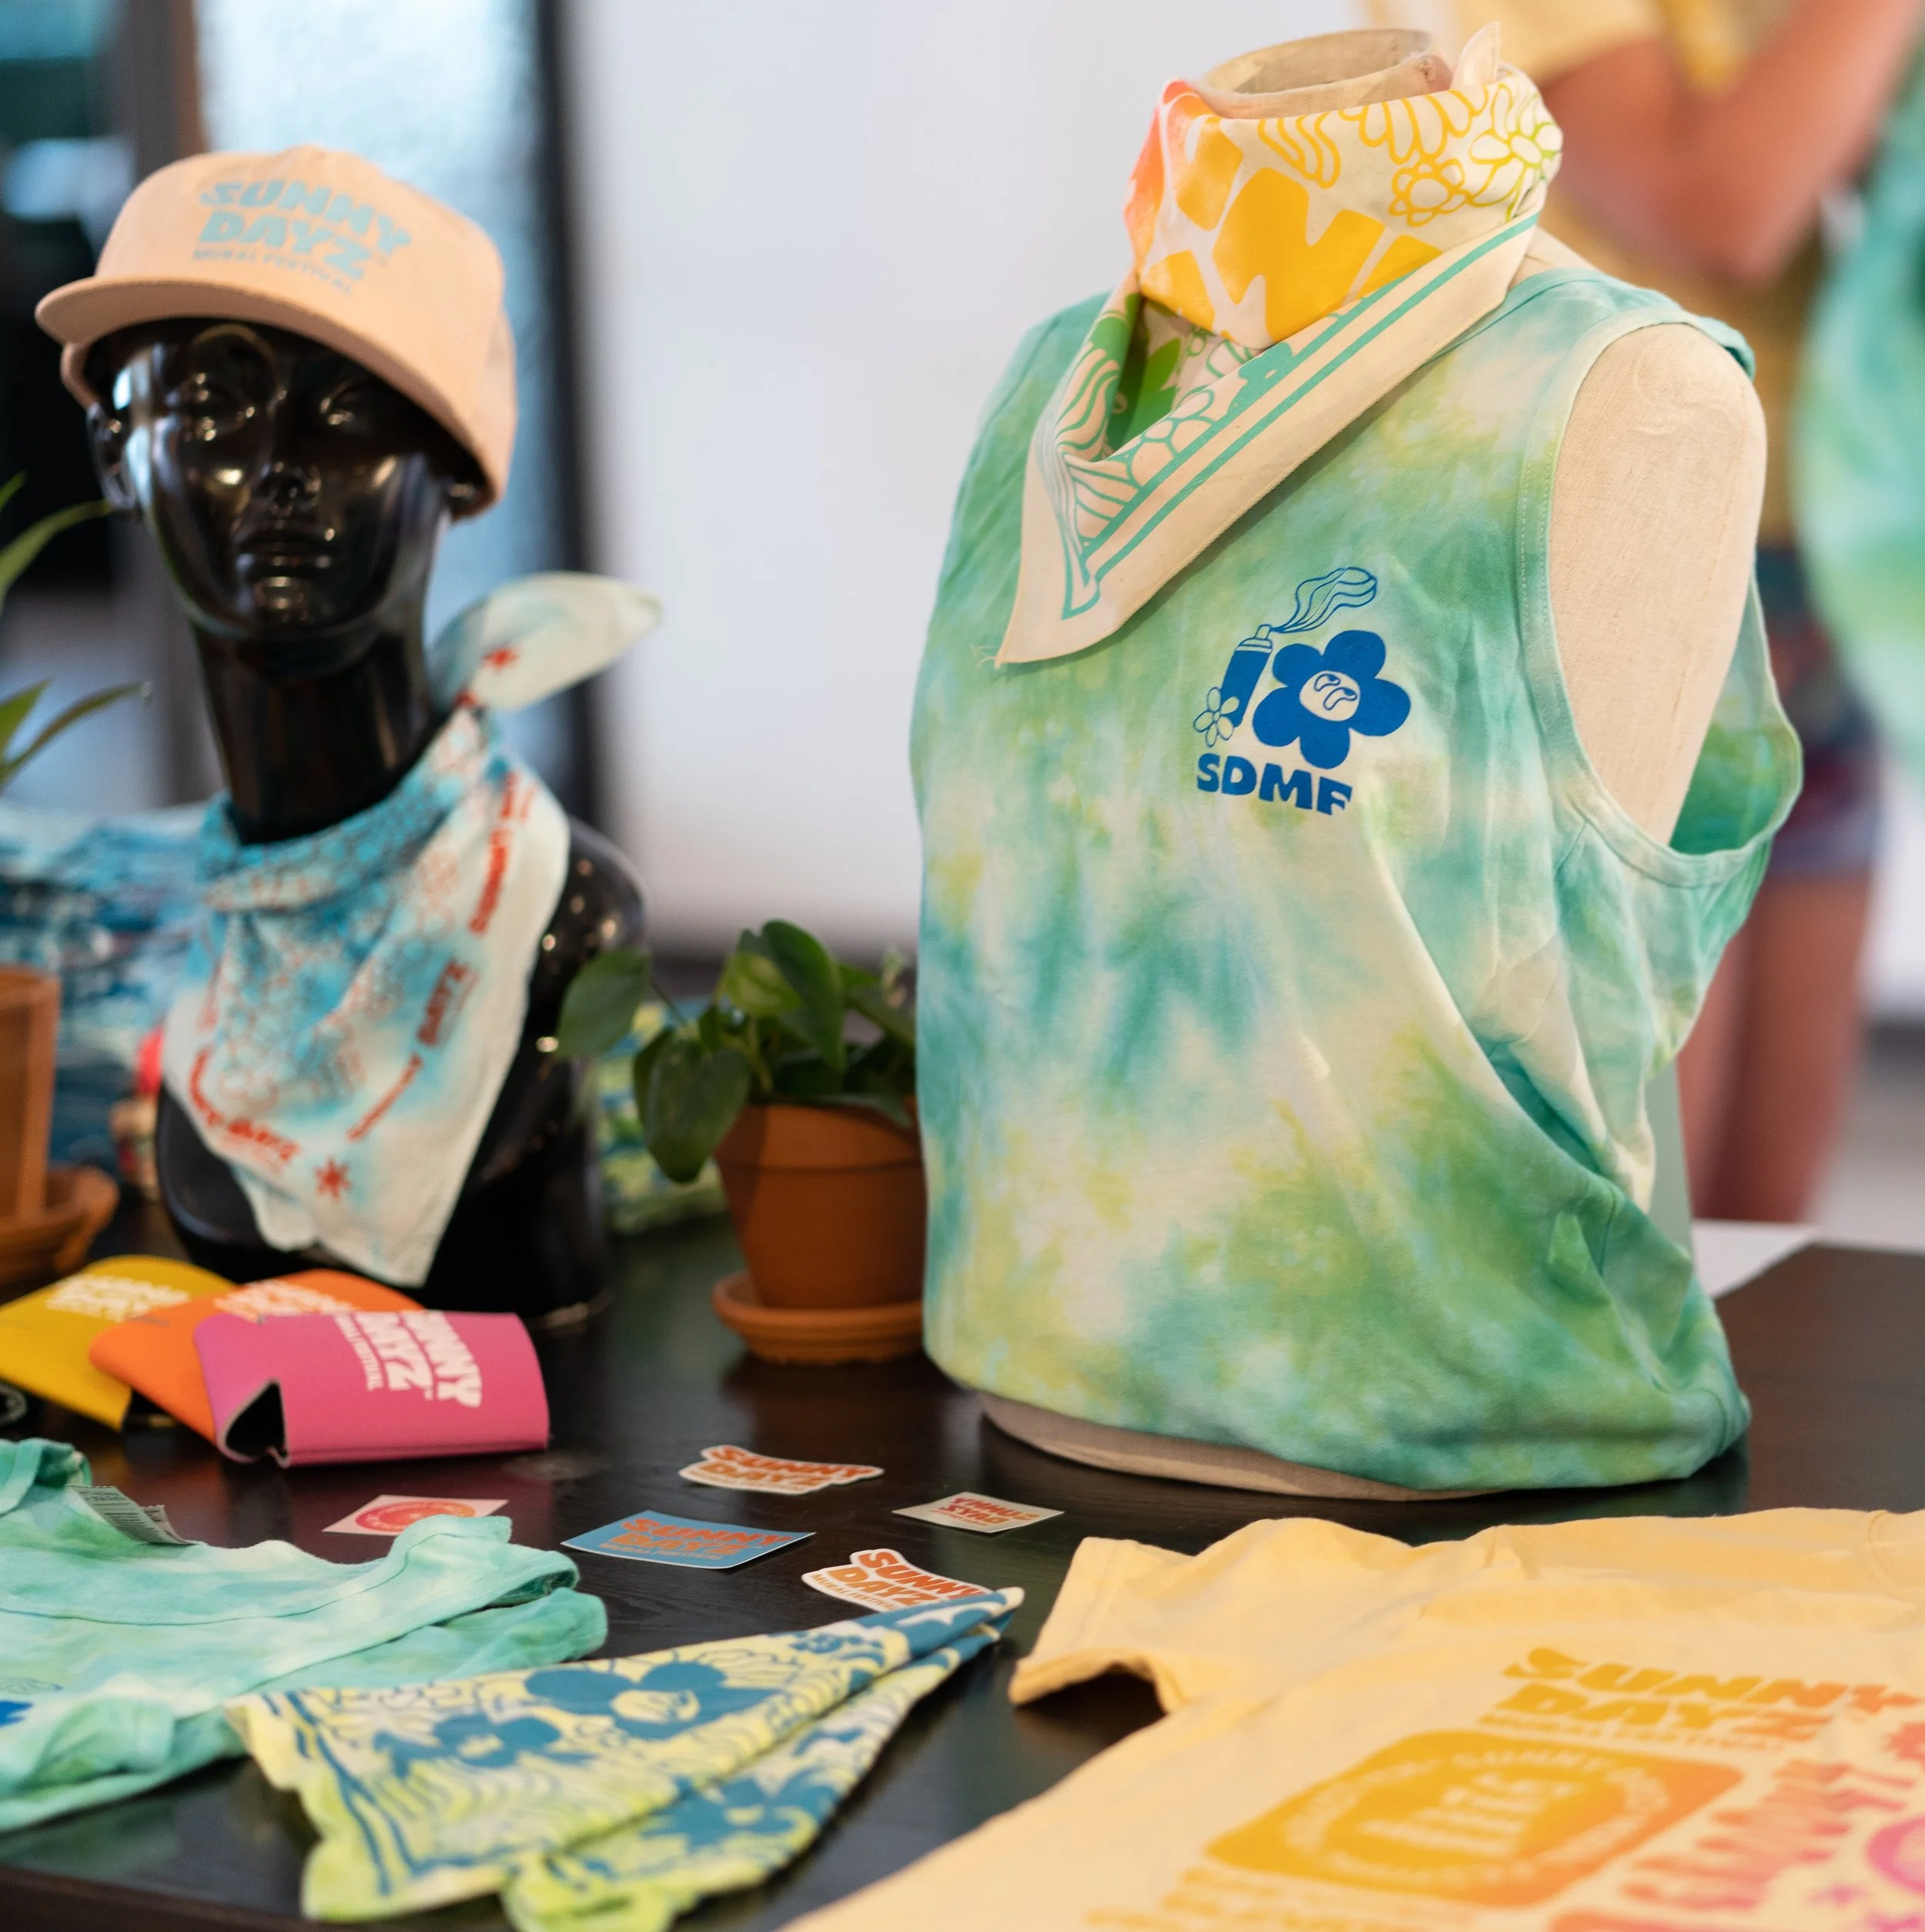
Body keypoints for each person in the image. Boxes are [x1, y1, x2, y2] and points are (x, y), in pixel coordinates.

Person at [1371, 0, 1925, 1221]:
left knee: (1770, 1237)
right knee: (1648, 1228)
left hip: (1810, 553)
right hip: (1616, 549)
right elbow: (1726, 205)